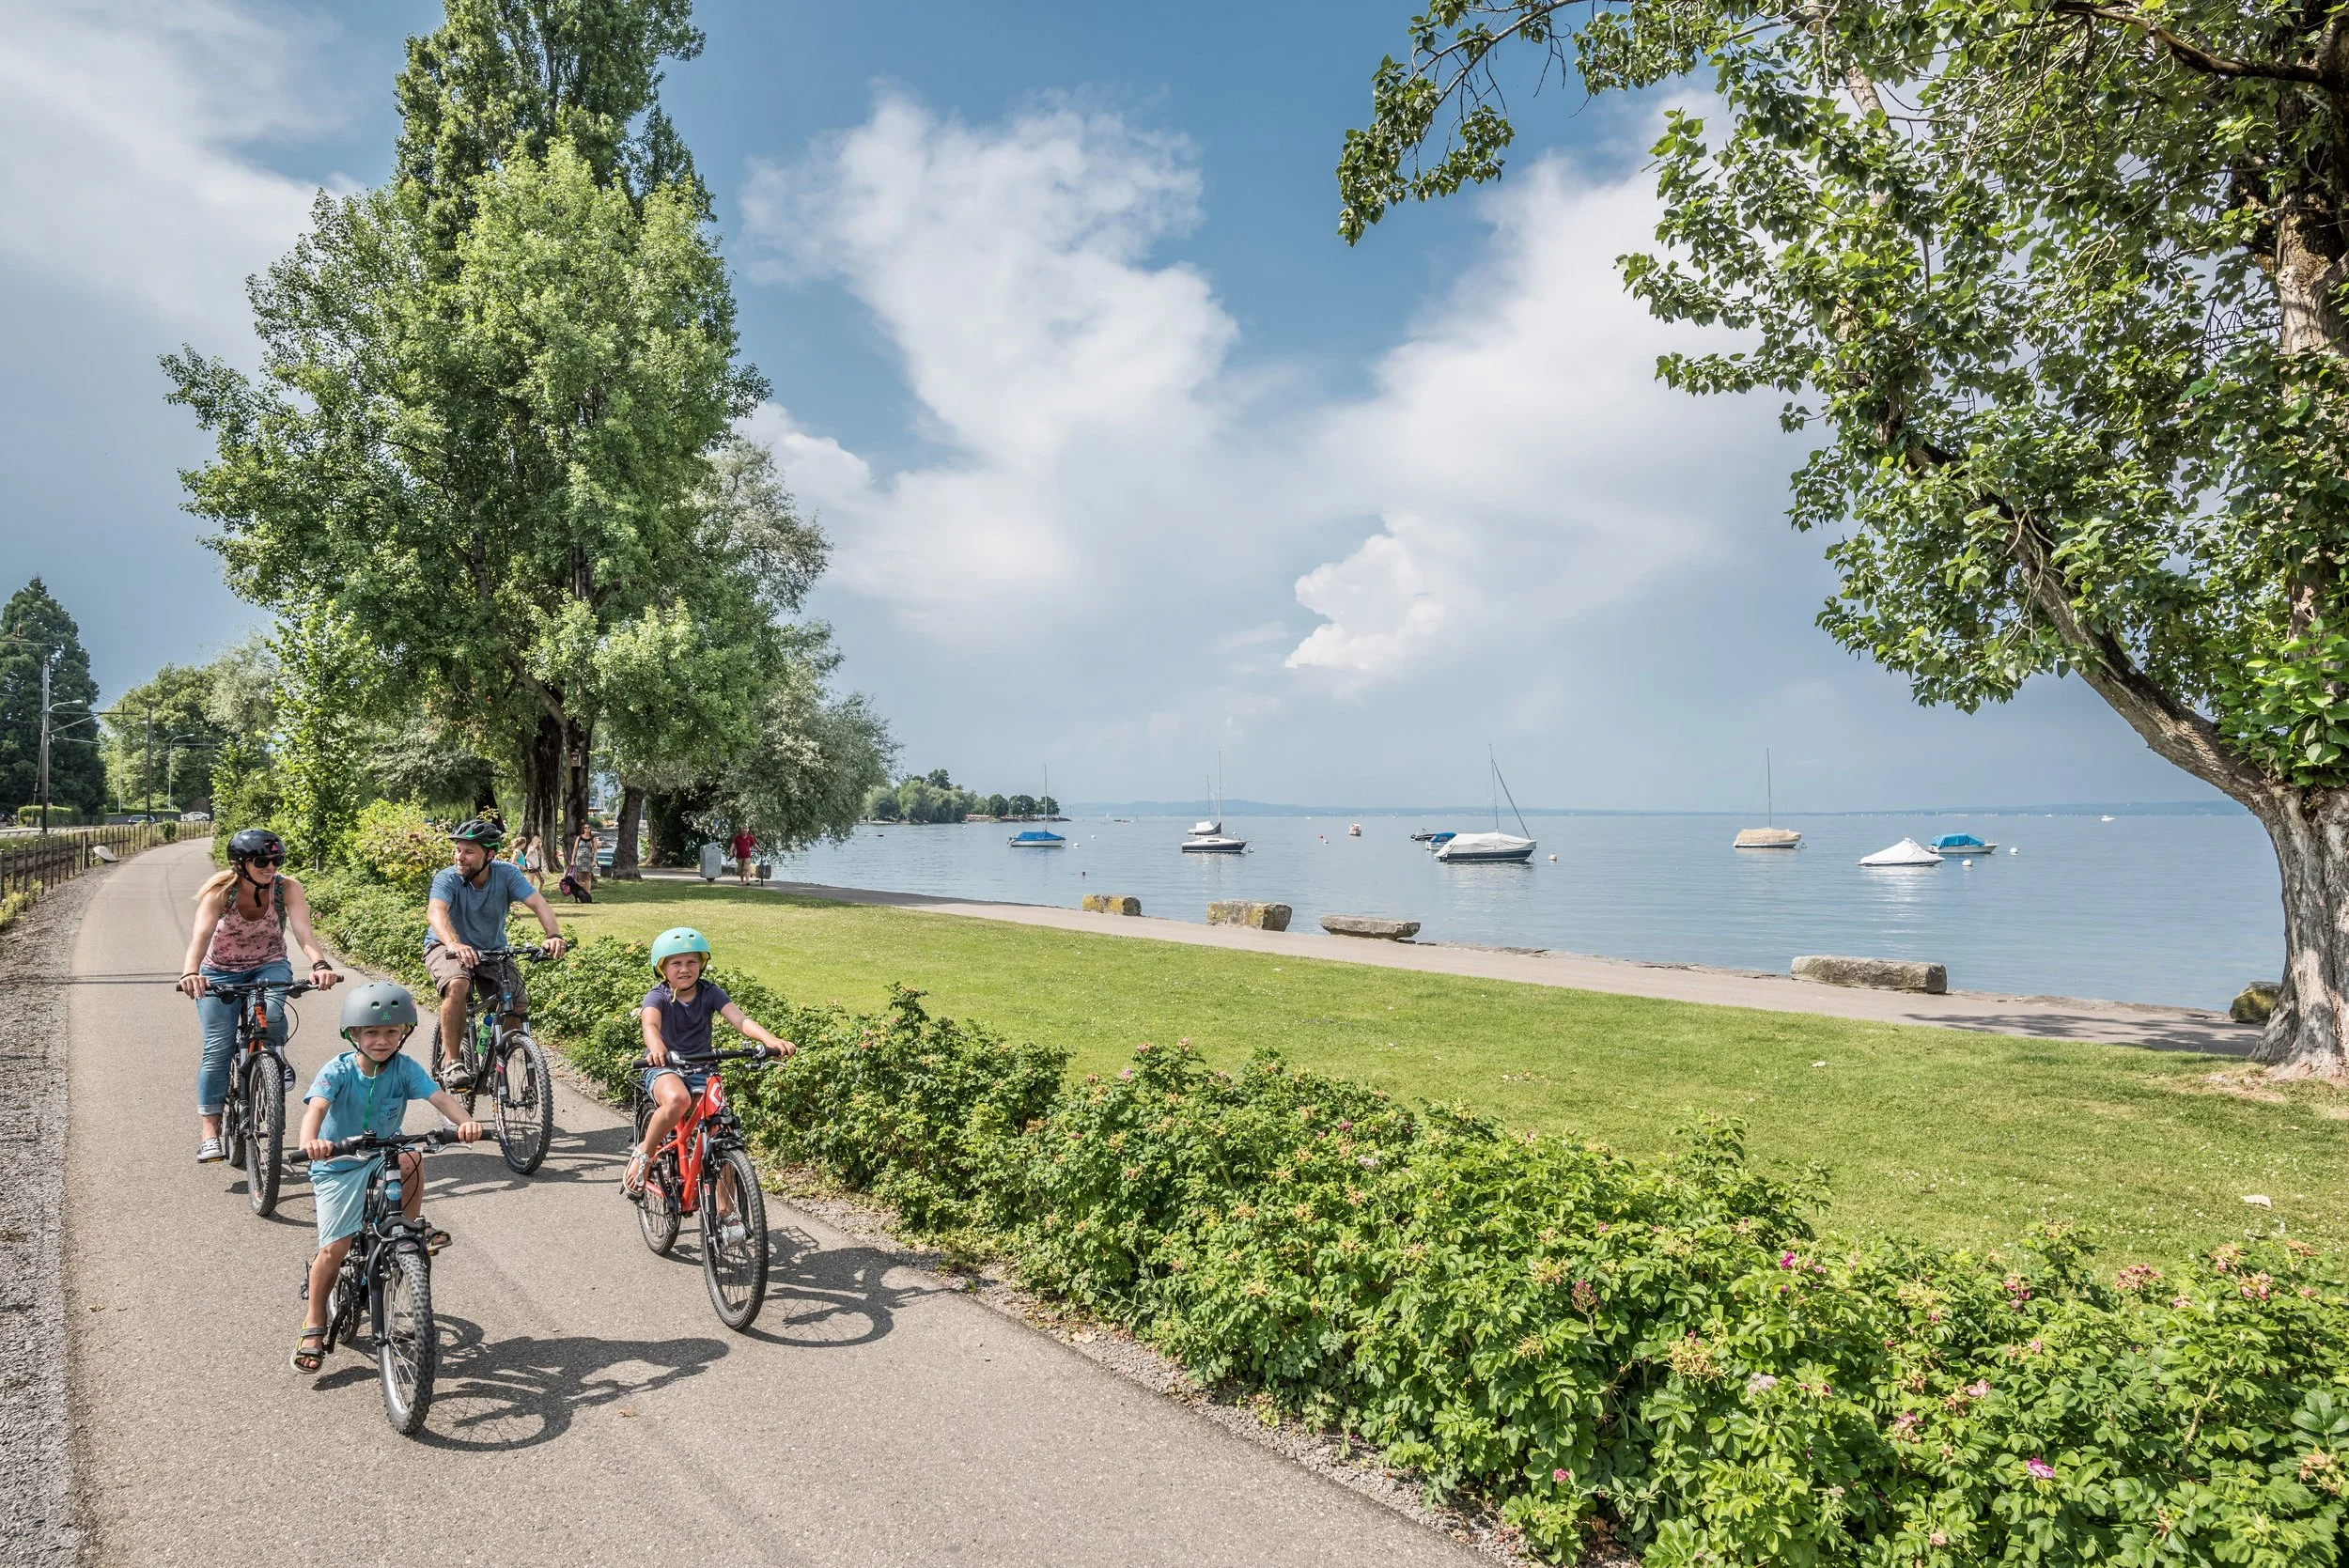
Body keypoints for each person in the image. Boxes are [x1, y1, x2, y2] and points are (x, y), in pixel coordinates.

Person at [291, 982, 481, 1374]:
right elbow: (317, 1109)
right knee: (335, 1248)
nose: (382, 1040)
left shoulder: (405, 1068)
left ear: (404, 1033)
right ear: (353, 1035)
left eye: (392, 1031)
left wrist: (465, 1123)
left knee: (411, 1154)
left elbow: (440, 1098)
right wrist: (311, 1143)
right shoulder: (338, 1070)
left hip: (384, 1155)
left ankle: (409, 1226)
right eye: (372, 1032)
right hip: (339, 1163)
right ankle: (314, 1322)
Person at [175, 827, 342, 1164]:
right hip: (219, 971)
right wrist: (191, 972)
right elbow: (201, 937)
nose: (271, 867)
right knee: (218, 1048)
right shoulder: (221, 893)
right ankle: (209, 1133)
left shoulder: (287, 888)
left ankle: (274, 1056)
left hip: (269, 964)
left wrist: (320, 964)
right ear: (240, 864)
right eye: (262, 861)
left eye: (276, 860)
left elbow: (303, 932)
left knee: (273, 1014)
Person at [623, 926, 793, 1197]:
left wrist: (770, 1040)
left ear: (701, 964)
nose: (685, 969)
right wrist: (656, 1046)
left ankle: (726, 1212)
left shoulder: (710, 992)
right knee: (678, 1100)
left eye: (692, 962)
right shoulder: (658, 996)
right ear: (662, 968)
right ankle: (644, 1153)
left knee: (722, 1128)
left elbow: (741, 1020)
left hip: (701, 1066)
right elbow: (650, 1025)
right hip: (664, 1065)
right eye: (676, 963)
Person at [424, 817, 568, 1090]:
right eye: (458, 850)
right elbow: (436, 913)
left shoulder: (507, 874)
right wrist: (454, 944)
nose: (459, 856)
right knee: (457, 984)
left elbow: (538, 903)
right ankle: (452, 1062)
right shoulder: (447, 878)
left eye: (468, 851)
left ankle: (494, 1064)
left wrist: (553, 935)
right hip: (445, 946)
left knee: (517, 1003)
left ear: (490, 855)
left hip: (492, 950)